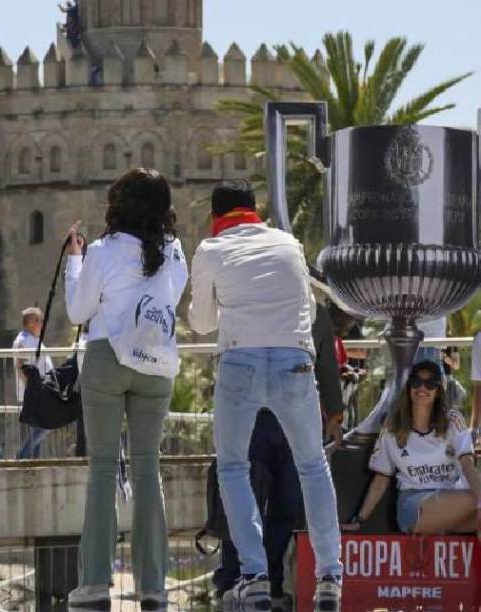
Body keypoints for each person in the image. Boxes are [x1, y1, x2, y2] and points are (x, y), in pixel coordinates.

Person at [189, 179, 342, 612]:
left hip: (241, 362)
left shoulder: (211, 249)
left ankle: (254, 575)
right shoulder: (289, 243)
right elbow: (309, 311)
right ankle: (330, 576)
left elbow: (201, 323)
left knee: (233, 468)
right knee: (313, 465)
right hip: (295, 360)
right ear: (253, 209)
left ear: (216, 217)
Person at [64, 167, 187, 612]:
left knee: (101, 469)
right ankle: (152, 588)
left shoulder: (104, 249)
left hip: (107, 358)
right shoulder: (175, 251)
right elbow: (168, 302)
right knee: (146, 469)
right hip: (156, 365)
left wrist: (74, 261)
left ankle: (96, 584)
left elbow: (79, 310)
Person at [211, 299, 345, 605]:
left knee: (259, 498)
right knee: (274, 500)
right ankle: (251, 577)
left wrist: (335, 414)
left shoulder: (248, 301)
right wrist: (335, 415)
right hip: (281, 420)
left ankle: (257, 578)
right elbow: (323, 365)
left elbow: (325, 362)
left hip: (262, 421)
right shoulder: (309, 308)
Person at [345, 360, 481, 535]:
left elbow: (468, 464)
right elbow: (380, 479)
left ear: (438, 391)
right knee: (474, 499)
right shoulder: (393, 427)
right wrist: (359, 520)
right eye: (416, 382)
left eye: (430, 383)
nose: (422, 388)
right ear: (409, 387)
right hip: (414, 505)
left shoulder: (452, 420)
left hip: (451, 499)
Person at [12, 307, 53, 459]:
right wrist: (33, 389)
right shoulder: (22, 341)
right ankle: (21, 457)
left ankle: (31, 464)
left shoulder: (37, 341)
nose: (42, 323)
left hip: (43, 392)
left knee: (38, 432)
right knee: (44, 427)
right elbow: (21, 366)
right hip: (32, 394)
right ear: (29, 322)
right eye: (38, 320)